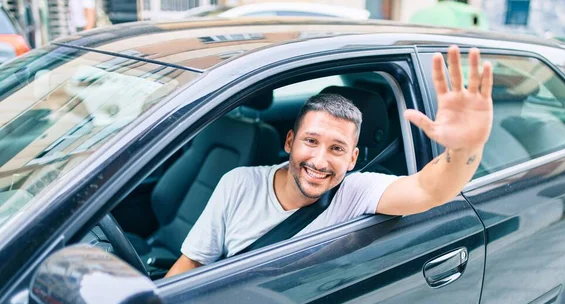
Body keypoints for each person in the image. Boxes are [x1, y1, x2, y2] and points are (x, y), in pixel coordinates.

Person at [165, 46, 493, 278]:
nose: (320, 161)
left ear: (352, 158)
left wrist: (465, 148)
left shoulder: (355, 191)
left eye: (337, 149)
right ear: (290, 141)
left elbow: (429, 188)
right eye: (311, 141)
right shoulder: (239, 182)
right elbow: (192, 262)